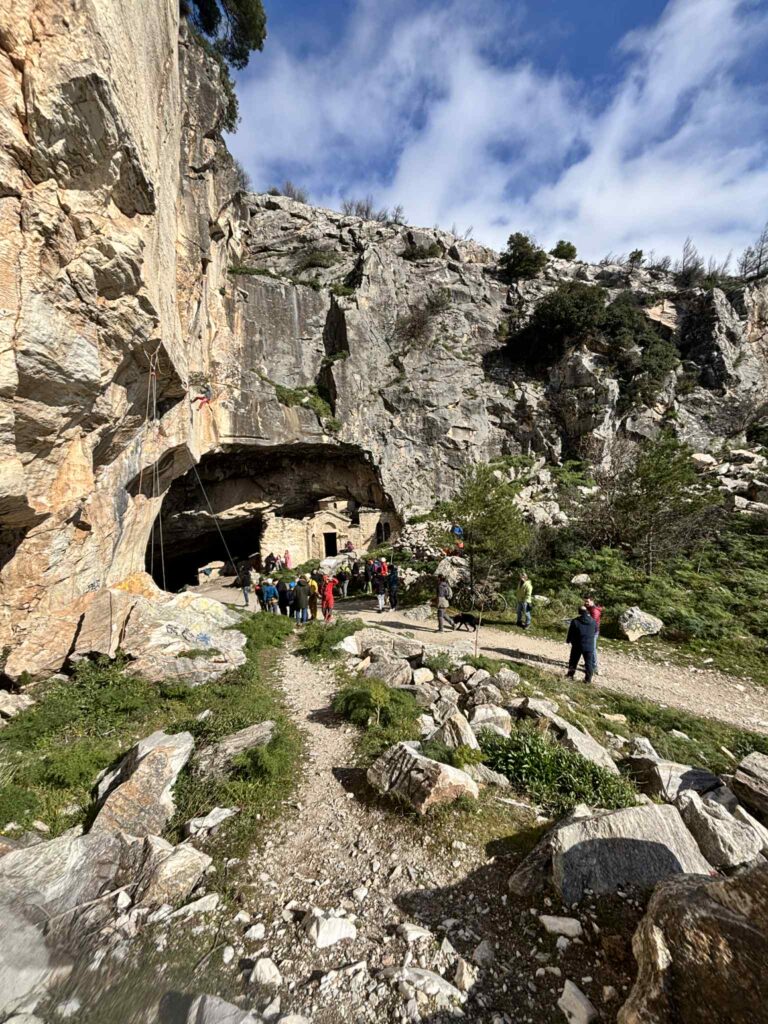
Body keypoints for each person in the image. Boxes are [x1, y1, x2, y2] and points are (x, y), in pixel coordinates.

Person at [566, 606, 597, 683]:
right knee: (588, 663)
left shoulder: (575, 621)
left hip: (577, 645)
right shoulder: (593, 621)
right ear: (587, 611)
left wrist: (568, 640)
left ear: (579, 612)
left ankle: (570, 675)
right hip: (589, 645)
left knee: (573, 661)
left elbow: (570, 632)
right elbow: (596, 630)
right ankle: (588, 680)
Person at [585, 597, 604, 676]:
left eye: (587, 601)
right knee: (587, 648)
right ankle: (589, 663)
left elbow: (592, 622)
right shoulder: (589, 608)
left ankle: (595, 666)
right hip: (589, 631)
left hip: (593, 632)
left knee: (592, 649)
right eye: (585, 601)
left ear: (592, 601)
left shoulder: (594, 611)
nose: (586, 603)